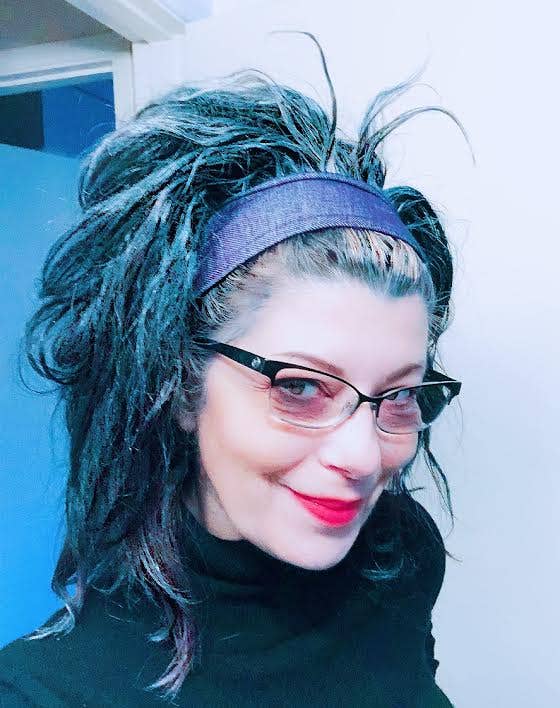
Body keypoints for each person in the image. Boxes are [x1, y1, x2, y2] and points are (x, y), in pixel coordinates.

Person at [0, 40, 463, 707]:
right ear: (181, 385)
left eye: (399, 394)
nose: (365, 458)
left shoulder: (402, 552)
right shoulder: (45, 692)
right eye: (300, 386)